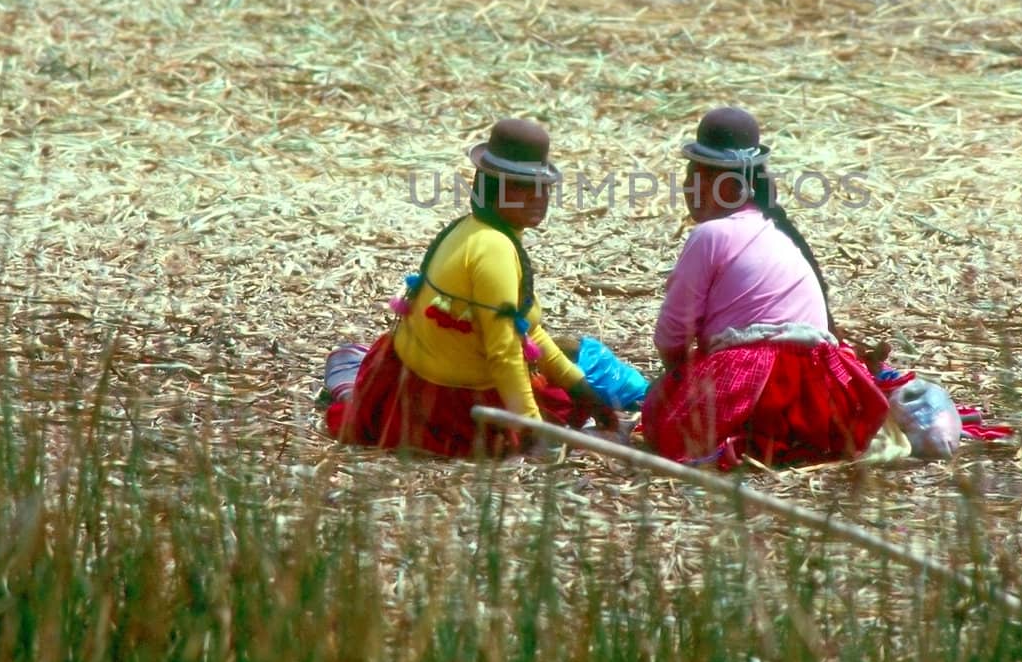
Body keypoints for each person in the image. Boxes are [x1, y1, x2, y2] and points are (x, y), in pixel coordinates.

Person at [321, 118, 617, 456]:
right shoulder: (494, 249)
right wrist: (535, 434)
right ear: (493, 188)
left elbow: (525, 331)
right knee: (563, 417)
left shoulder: (474, 228)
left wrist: (578, 386)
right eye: (523, 187)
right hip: (448, 405)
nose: (541, 197)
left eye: (544, 186)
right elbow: (505, 351)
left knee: (569, 395)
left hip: (415, 378)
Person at [639, 107, 890, 467]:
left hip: (753, 383)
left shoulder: (711, 234)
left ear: (725, 186)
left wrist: (676, 385)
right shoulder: (776, 230)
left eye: (696, 177)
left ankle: (737, 441)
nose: (686, 189)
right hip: (823, 398)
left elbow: (673, 335)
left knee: (662, 420)